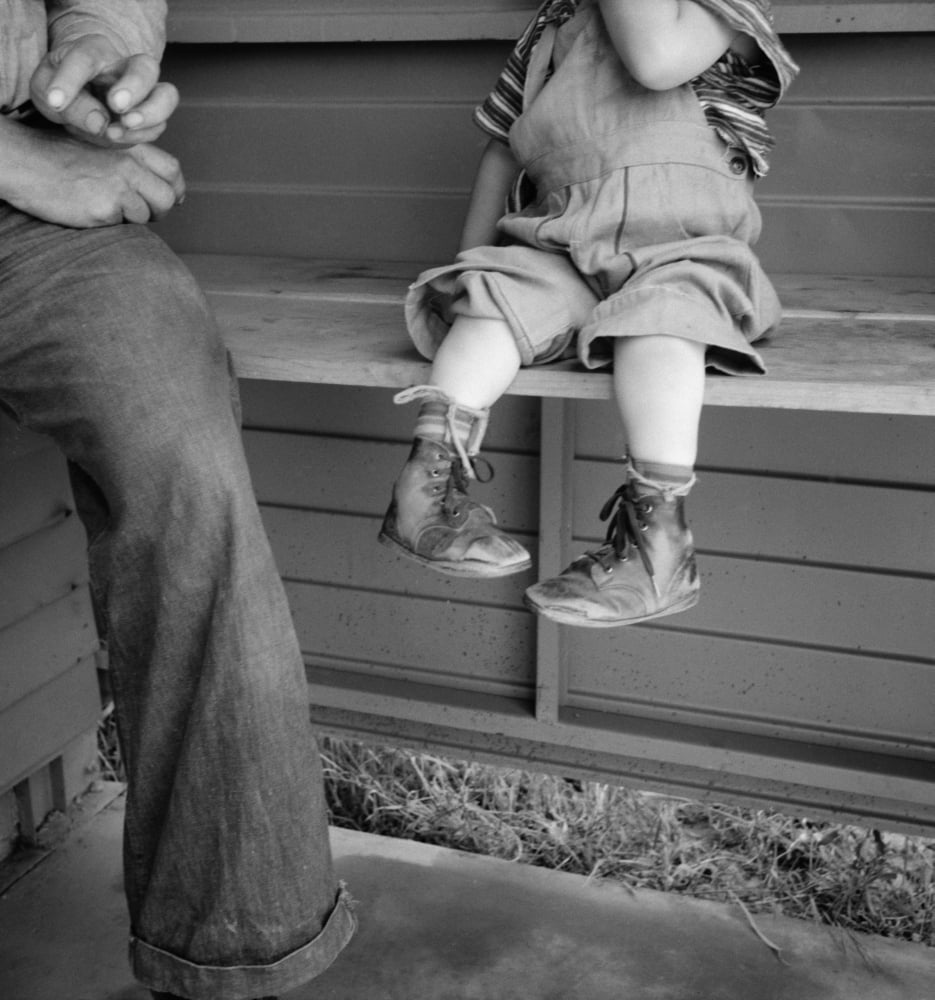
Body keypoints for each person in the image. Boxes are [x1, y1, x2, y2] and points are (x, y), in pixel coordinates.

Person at [0, 3, 356, 998]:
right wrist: (20, 165)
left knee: (177, 438)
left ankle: (235, 955)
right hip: (29, 176)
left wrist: (101, 48)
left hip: (33, 216)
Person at [379, 0, 798, 627]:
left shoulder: (725, 8)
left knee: (663, 320)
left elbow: (656, 59)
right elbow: (502, 149)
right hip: (563, 240)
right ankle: (425, 488)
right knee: (497, 300)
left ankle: (657, 543)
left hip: (683, 247)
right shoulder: (552, 24)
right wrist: (474, 270)